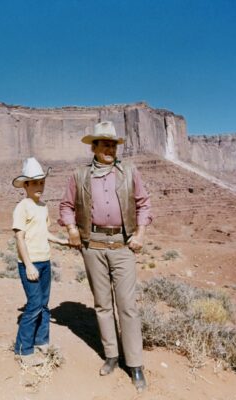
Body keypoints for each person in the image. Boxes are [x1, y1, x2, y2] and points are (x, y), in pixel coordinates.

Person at [59, 121, 152, 392]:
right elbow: (66, 206)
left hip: (123, 246)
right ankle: (111, 355)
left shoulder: (129, 171)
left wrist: (141, 235)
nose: (110, 148)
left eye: (113, 144)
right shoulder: (79, 175)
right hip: (93, 245)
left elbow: (143, 203)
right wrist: (72, 230)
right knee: (102, 304)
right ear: (94, 147)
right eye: (105, 144)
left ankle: (135, 364)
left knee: (127, 305)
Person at [12, 157, 68, 366]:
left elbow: (45, 233)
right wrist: (28, 265)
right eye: (35, 183)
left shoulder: (43, 206)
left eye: (42, 182)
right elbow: (19, 237)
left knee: (44, 305)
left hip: (45, 261)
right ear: (25, 185)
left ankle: (41, 341)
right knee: (34, 305)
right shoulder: (22, 207)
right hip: (30, 263)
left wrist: (61, 241)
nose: (39, 187)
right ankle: (24, 351)